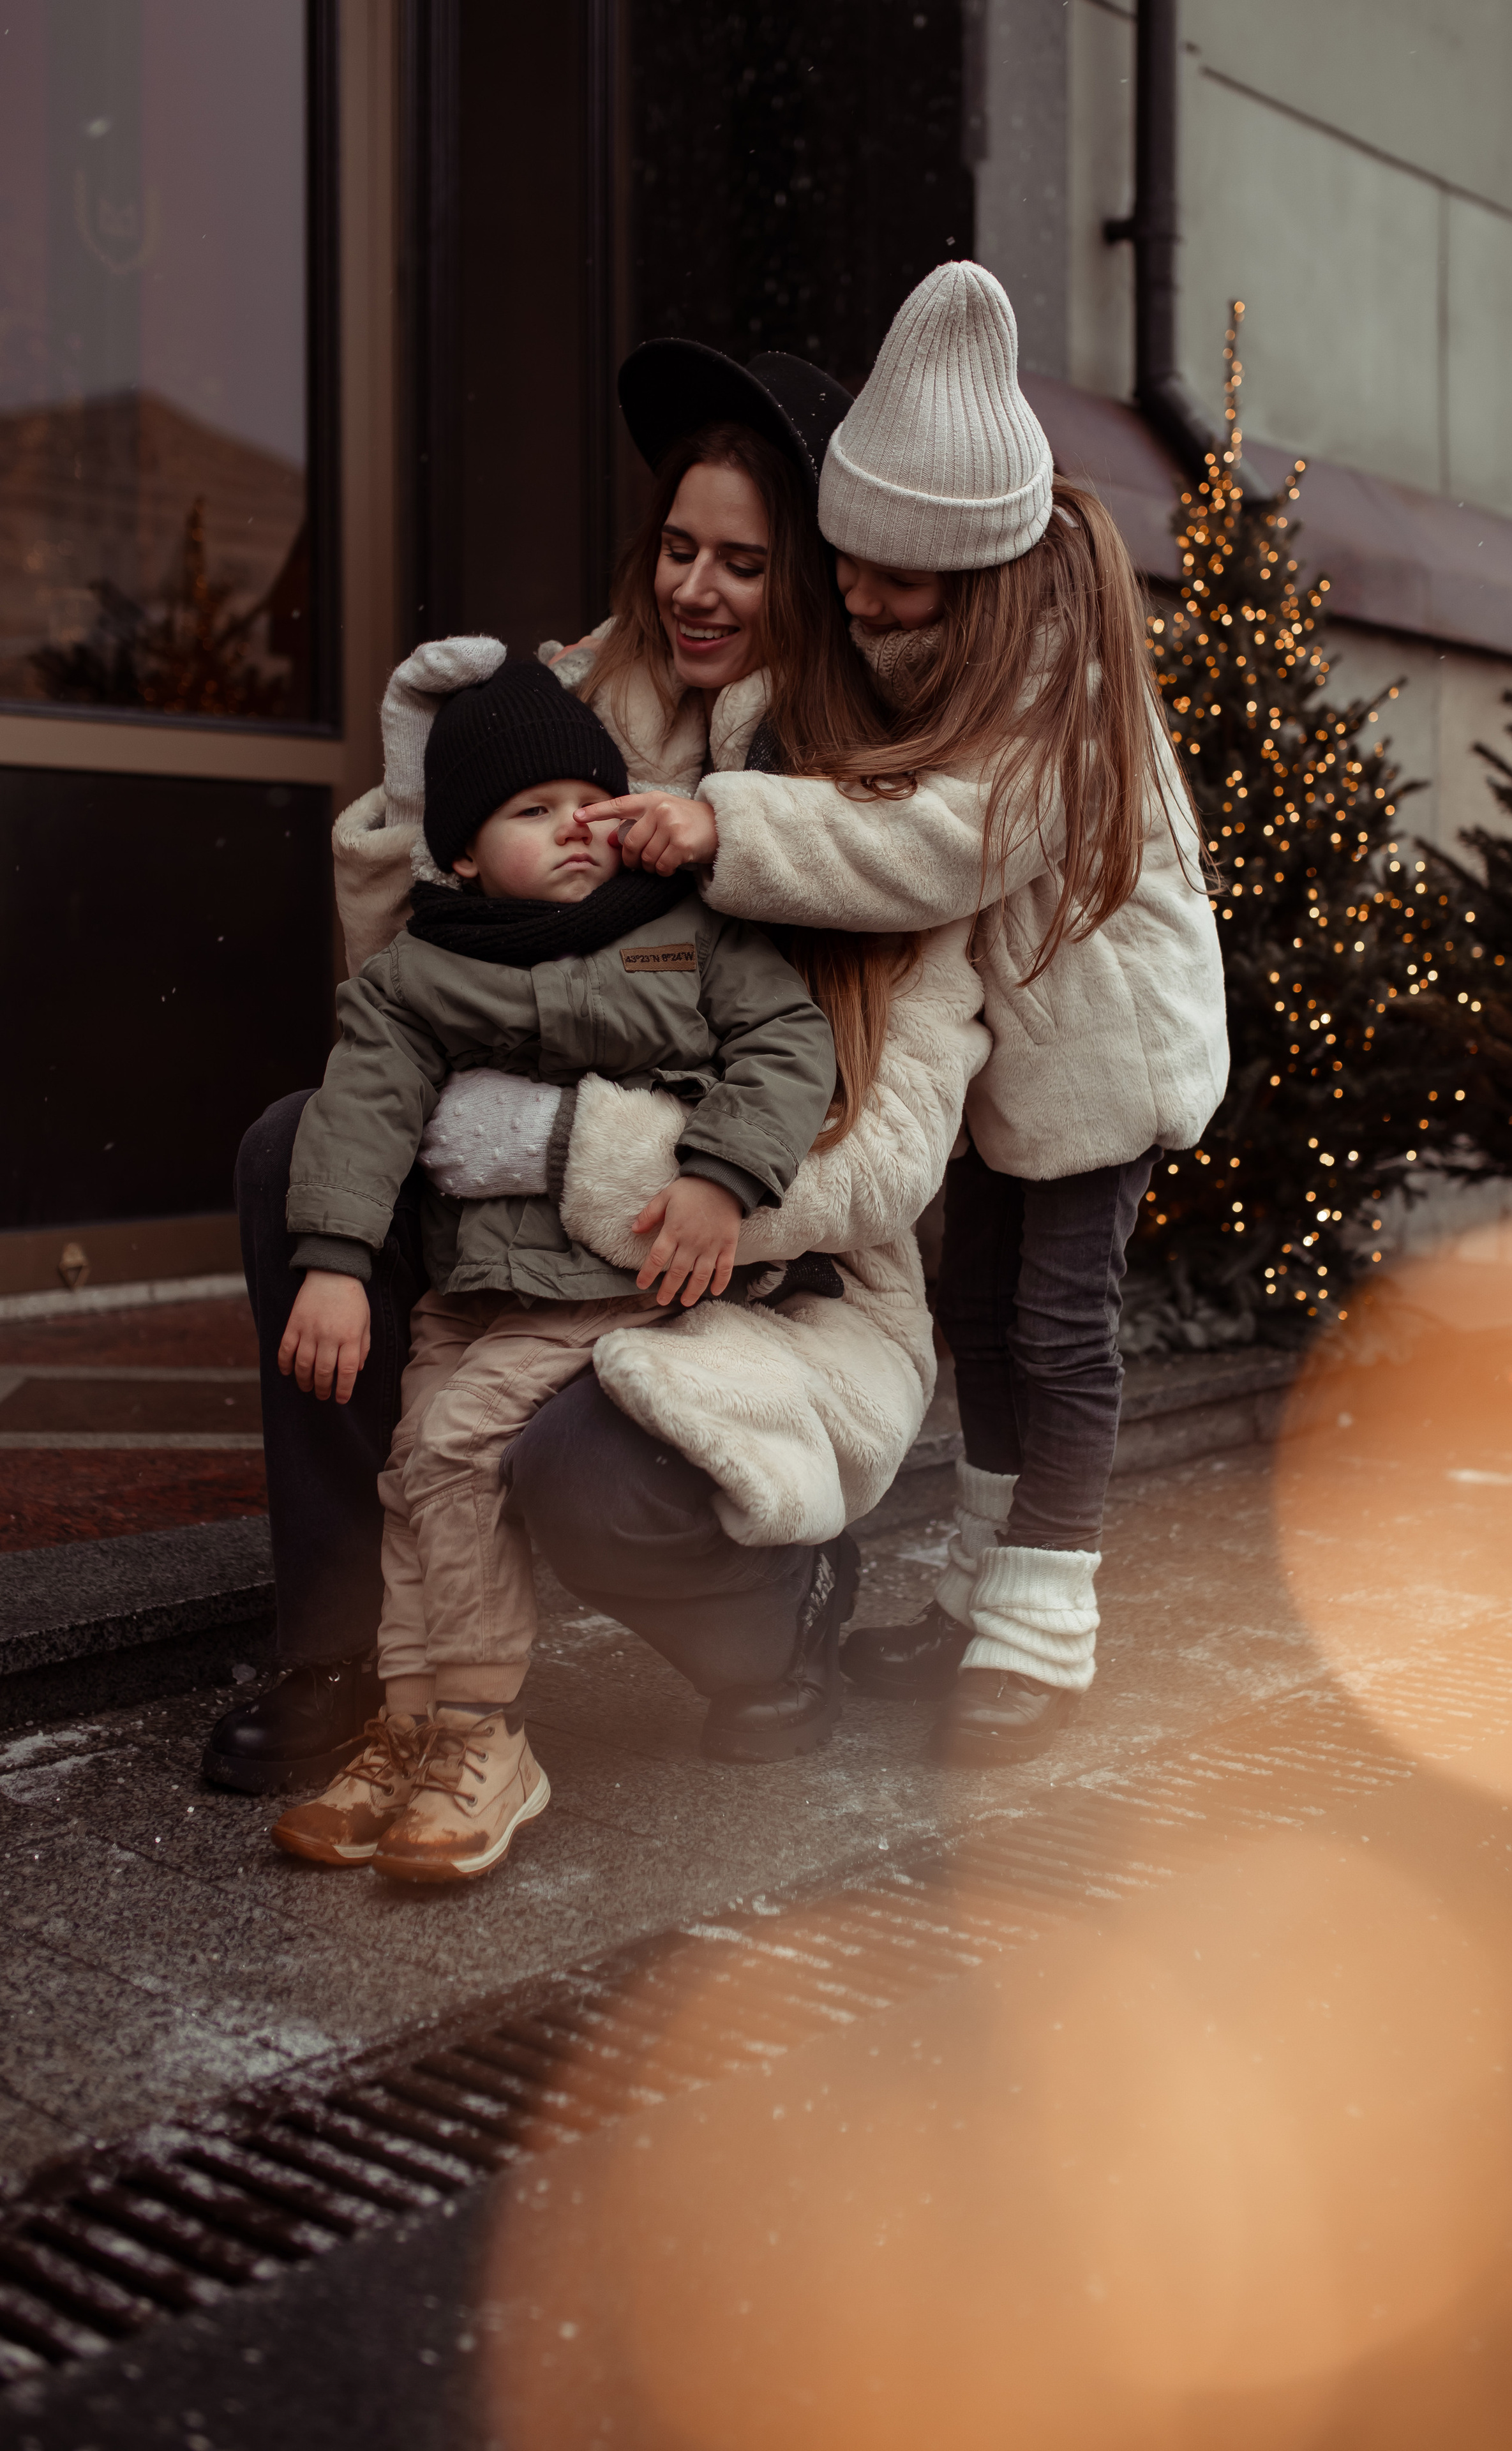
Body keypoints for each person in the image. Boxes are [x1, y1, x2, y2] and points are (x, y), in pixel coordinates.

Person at [207, 345, 988, 1796]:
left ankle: (780, 1613)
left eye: (745, 563)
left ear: (814, 584)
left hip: (766, 1261)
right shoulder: (573, 711)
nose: (697, 588)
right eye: (679, 548)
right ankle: (344, 1642)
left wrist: (576, 1149)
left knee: (582, 1468)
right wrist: (420, 792)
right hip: (520, 1246)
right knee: (295, 1148)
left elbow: (886, 1155)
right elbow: (403, 1004)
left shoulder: (884, 807)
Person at [593, 263, 1229, 1768]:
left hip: (1103, 1054)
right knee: (977, 1316)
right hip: (1015, 1052)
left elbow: (941, 844)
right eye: (848, 567)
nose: (860, 600)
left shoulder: (1065, 681)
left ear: (977, 569)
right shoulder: (945, 631)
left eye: (895, 580)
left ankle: (1042, 1622)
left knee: (1056, 1329)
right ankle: (976, 1590)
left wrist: (726, 822)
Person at [265, 654, 837, 1879]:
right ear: (463, 858)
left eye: (591, 799)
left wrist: (720, 1174)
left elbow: (791, 1043)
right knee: (417, 1471)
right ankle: (410, 1727)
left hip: (610, 1279)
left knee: (458, 1445)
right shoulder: (422, 969)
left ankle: (484, 1735)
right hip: (476, 1292)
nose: (576, 825)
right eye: (532, 811)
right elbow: (362, 1109)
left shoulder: (685, 928)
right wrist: (334, 1261)